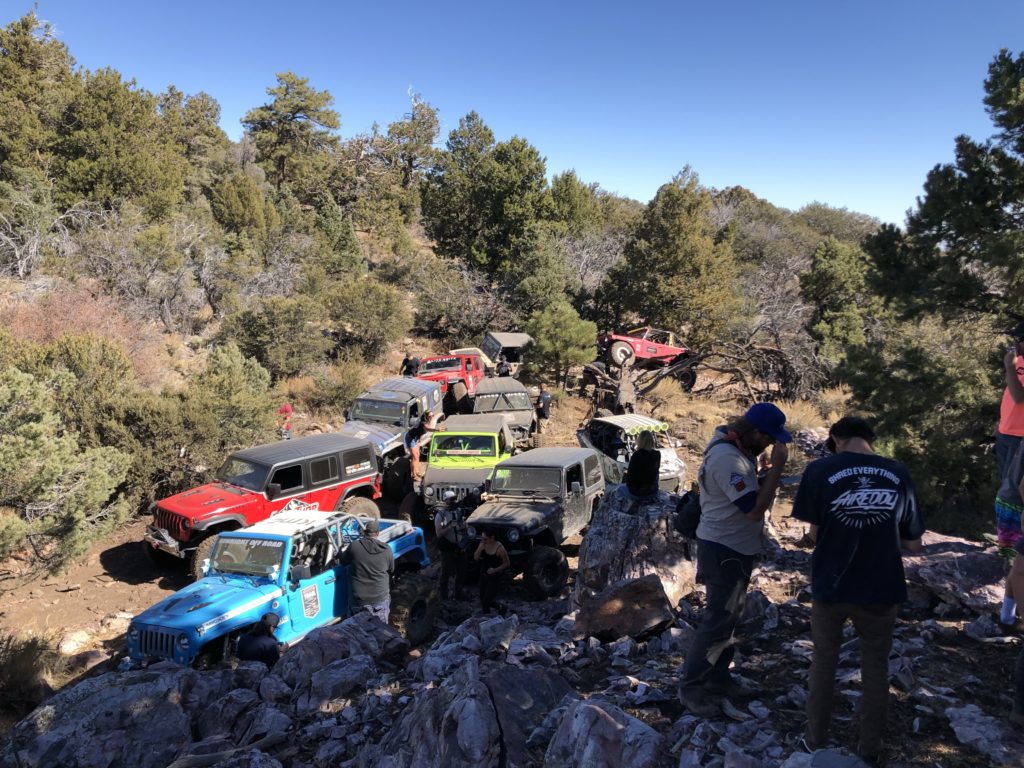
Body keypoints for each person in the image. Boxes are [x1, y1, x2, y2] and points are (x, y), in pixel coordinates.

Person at [791, 416, 924, 763]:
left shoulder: (820, 471)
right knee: (876, 668)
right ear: (871, 439)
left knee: (823, 661)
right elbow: (913, 543)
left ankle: (814, 740)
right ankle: (869, 749)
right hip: (882, 585)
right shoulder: (898, 472)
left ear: (835, 438)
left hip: (831, 584)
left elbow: (814, 535)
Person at [678, 402, 791, 717]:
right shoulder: (727, 458)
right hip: (723, 549)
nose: (770, 444)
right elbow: (753, 509)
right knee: (717, 619)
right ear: (754, 432)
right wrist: (778, 470)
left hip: (735, 547)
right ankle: (692, 688)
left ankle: (718, 677)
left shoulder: (738, 450)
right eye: (769, 438)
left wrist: (764, 474)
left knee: (729, 618)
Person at [340, 518, 394, 622]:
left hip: (358, 601)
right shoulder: (386, 549)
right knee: (381, 632)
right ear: (378, 533)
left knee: (357, 633)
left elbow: (343, 561)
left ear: (364, 533)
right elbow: (391, 569)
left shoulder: (354, 546)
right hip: (379, 599)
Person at [997, 322, 1024, 481]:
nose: (1015, 343)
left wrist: (1009, 367)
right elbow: (1008, 393)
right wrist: (1000, 424)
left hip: (1020, 437)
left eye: (1019, 338)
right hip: (1004, 433)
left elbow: (1019, 397)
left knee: (1011, 492)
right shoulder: (1018, 360)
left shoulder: (1012, 364)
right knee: (1003, 485)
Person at [435, 491, 467, 599]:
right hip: (448, 548)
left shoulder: (457, 512)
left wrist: (462, 526)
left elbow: (461, 527)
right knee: (446, 573)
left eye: (454, 499)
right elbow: (438, 533)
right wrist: (449, 526)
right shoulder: (440, 515)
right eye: (451, 500)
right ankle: (444, 596)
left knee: (461, 572)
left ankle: (458, 593)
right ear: (446, 501)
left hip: (459, 546)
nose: (453, 502)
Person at [474, 527, 510, 614]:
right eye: (482, 538)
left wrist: (495, 570)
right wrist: (480, 548)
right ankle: (497, 608)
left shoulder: (500, 549)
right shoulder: (482, 544)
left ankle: (490, 615)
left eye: (485, 539)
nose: (483, 540)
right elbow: (476, 558)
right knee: (482, 598)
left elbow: (507, 563)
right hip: (483, 574)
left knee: (487, 599)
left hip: (494, 577)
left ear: (492, 538)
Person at [625, 430, 660, 497]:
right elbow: (655, 472)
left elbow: (630, 476)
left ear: (640, 441)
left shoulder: (637, 455)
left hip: (638, 492)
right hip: (653, 490)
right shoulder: (657, 454)